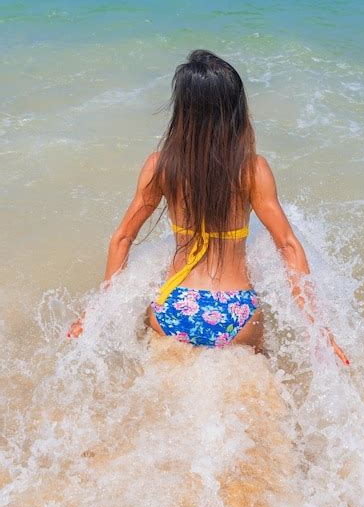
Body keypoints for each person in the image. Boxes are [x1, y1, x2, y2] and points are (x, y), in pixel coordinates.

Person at [67, 49, 349, 365]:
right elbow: (288, 245)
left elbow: (122, 239)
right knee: (259, 384)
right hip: (236, 312)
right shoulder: (252, 170)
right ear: (234, 109)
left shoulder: (159, 166)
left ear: (183, 109)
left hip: (172, 308)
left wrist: (97, 308)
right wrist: (319, 329)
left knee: (159, 384)